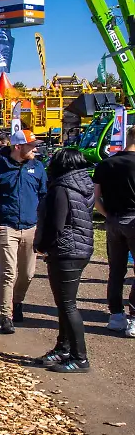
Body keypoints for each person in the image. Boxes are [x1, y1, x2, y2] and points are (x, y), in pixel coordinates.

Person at [0, 129, 48, 335]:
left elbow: (44, 197)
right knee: (9, 272)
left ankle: (17, 302)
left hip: (31, 227)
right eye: (31, 146)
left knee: (27, 274)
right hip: (6, 226)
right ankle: (5, 316)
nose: (35, 149)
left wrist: (45, 226)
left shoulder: (38, 167)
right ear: (18, 147)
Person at [34, 149, 95, 373]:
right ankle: (64, 348)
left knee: (68, 305)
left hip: (66, 250)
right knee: (64, 304)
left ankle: (80, 358)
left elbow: (56, 225)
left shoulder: (61, 188)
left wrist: (43, 247)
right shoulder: (84, 183)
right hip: (80, 247)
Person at [93, 124, 135, 337]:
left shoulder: (106, 163)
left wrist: (107, 214)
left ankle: (116, 315)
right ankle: (134, 317)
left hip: (113, 220)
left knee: (116, 270)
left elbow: (95, 197)